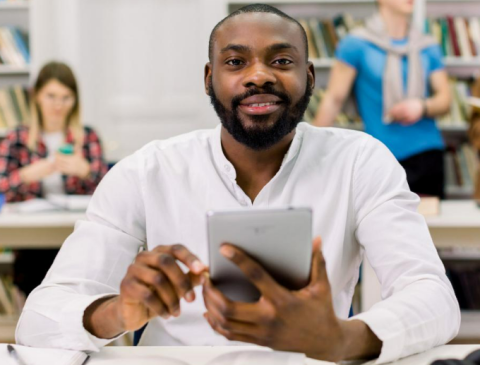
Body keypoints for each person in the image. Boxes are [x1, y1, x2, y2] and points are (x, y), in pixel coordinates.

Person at [17, 5, 459, 364]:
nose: (258, 75)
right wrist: (118, 312)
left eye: (281, 61)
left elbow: (433, 296)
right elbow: (38, 320)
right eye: (235, 62)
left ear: (309, 78)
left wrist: (342, 339)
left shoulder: (361, 161)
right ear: (209, 78)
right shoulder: (146, 171)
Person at [313, 0, 451, 199]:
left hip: (427, 156)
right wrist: (311, 151)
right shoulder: (355, 44)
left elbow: (445, 99)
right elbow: (334, 99)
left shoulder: (427, 45)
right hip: (380, 157)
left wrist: (421, 106)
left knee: (430, 229)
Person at [0, 61, 108, 295]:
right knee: (35, 267)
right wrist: (26, 175)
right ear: (37, 96)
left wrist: (86, 171)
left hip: (75, 231)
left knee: (77, 264)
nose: (58, 105)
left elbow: (111, 192)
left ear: (75, 101)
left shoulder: (88, 137)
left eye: (66, 97)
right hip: (31, 237)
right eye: (51, 96)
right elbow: (3, 186)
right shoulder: (17, 138)